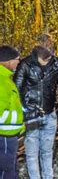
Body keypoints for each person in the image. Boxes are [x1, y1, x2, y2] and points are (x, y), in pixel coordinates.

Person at [14, 45, 58, 179]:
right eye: (44, 60)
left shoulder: (57, 62)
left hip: (50, 114)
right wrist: (26, 112)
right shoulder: (25, 64)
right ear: (37, 55)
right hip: (32, 118)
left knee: (47, 152)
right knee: (32, 154)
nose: (47, 63)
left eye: (50, 58)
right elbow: (16, 91)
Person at [0, 45, 24, 179]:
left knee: (11, 172)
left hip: (9, 136)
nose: (18, 62)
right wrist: (19, 118)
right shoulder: (1, 82)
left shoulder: (6, 79)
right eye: (17, 59)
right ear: (8, 61)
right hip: (3, 137)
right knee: (6, 173)